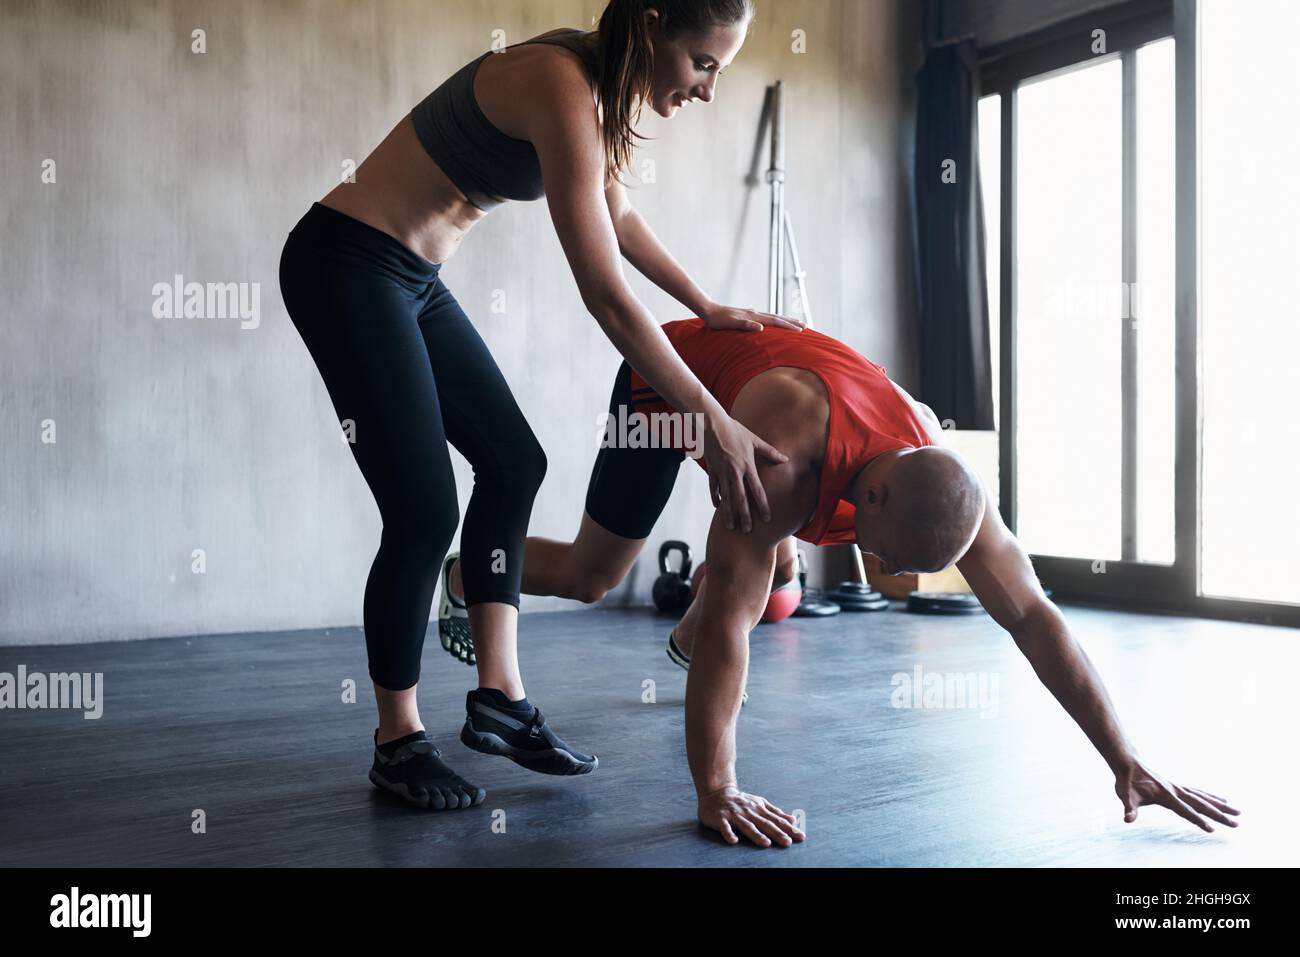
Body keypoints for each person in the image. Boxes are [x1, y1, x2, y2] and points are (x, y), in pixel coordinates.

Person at [277, 0, 802, 811]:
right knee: (421, 511)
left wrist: (704, 304)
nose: (706, 91)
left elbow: (617, 214)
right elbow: (605, 297)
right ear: (654, 22)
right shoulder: (558, 81)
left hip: (410, 279)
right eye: (704, 64)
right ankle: (398, 742)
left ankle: (501, 699)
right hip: (345, 263)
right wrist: (710, 420)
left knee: (514, 460)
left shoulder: (591, 89)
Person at [443, 317, 1243, 845]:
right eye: (895, 554)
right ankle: (465, 573)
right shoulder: (780, 461)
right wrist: (716, 788)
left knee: (759, 561)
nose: (892, 571)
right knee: (596, 574)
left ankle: (745, 570)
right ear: (880, 492)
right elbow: (729, 620)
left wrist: (1125, 756)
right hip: (669, 381)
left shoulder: (945, 484)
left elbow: (1035, 616)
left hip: (781, 389)